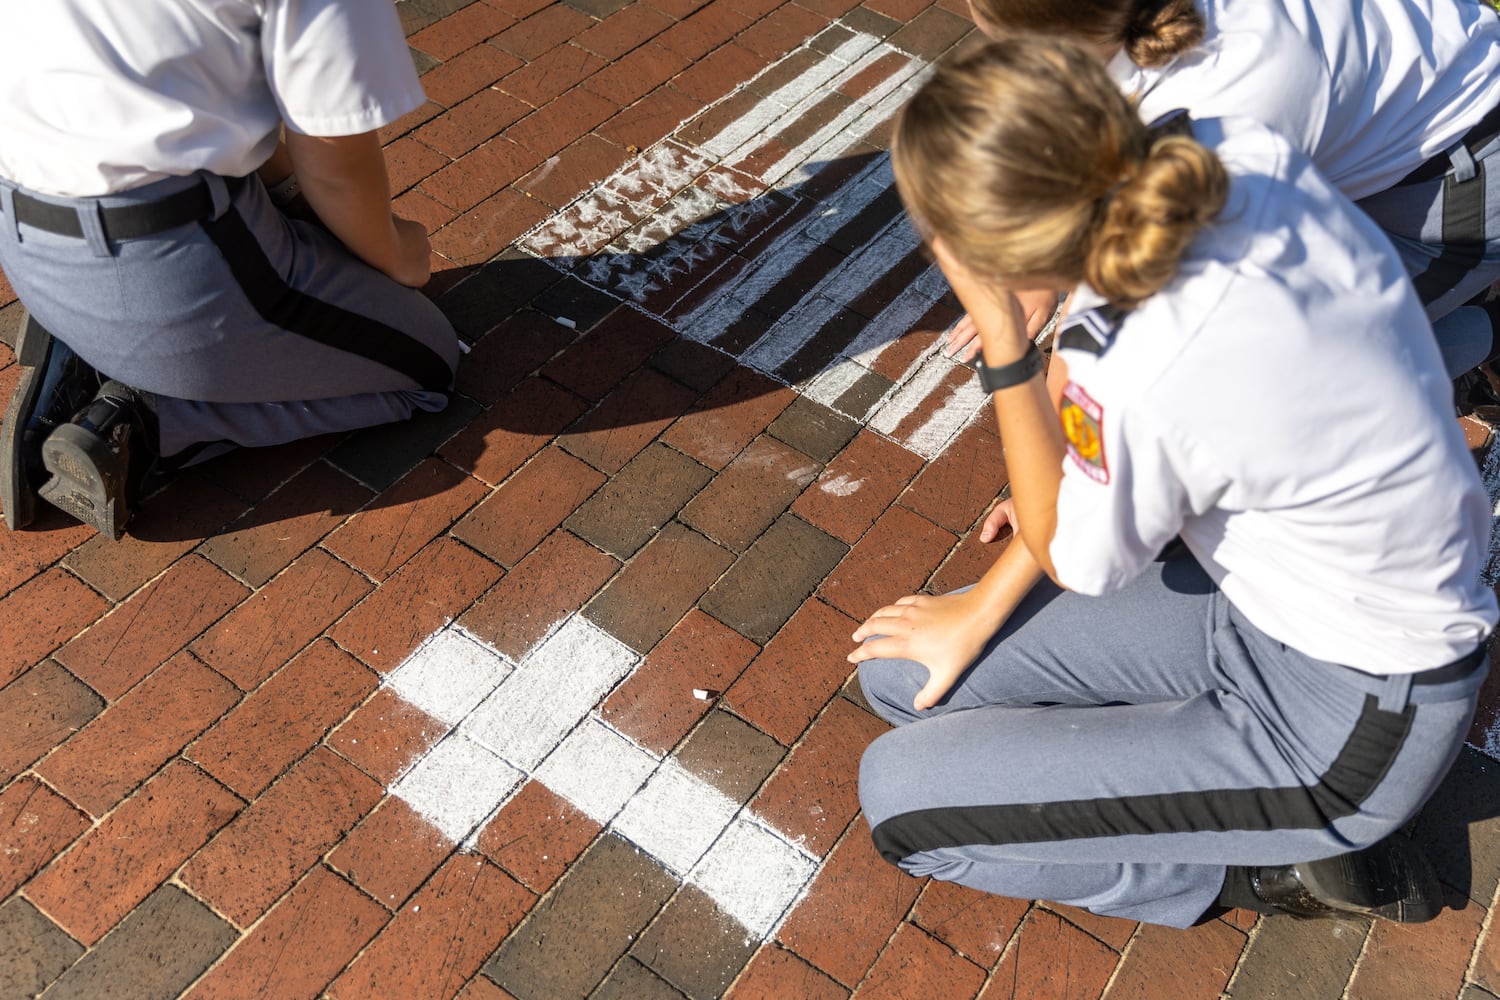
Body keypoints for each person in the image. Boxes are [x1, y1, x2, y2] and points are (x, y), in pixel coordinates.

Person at [850, 38, 1498, 928]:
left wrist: (1005, 341)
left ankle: (1264, 872)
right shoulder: (1235, 152)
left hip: (1353, 720)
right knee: (897, 680)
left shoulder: (1134, 361)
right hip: (1266, 608)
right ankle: (1189, 773)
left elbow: (1068, 546)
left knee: (902, 802)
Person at [0, 0, 460, 539]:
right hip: (172, 264)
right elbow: (335, 169)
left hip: (26, 244)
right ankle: (146, 422)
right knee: (430, 363)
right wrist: (400, 252)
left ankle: (79, 346)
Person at [944, 0, 1500, 384]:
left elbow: (1122, 308)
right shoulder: (1150, 32)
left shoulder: (1215, 113)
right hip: (1400, 103)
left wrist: (1060, 479)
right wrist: (1042, 281)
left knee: (1269, 376)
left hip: (1461, 178)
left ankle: (1480, 332)